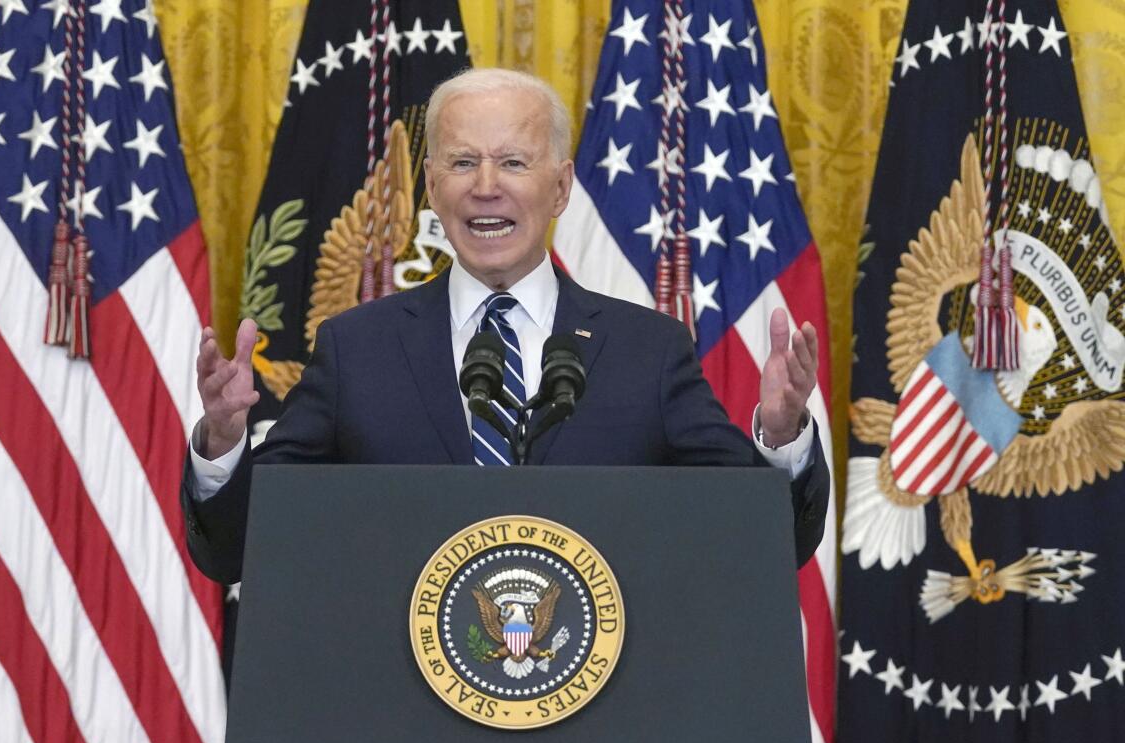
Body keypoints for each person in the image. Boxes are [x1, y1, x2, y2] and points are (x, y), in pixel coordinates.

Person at [183, 68, 828, 585]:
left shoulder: (647, 352)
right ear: (431, 187)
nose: (486, 187)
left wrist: (780, 435)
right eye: (462, 163)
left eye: (514, 163)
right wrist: (222, 441)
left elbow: (765, 544)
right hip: (406, 726)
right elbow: (237, 550)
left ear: (562, 187)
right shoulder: (357, 349)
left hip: (596, 726)